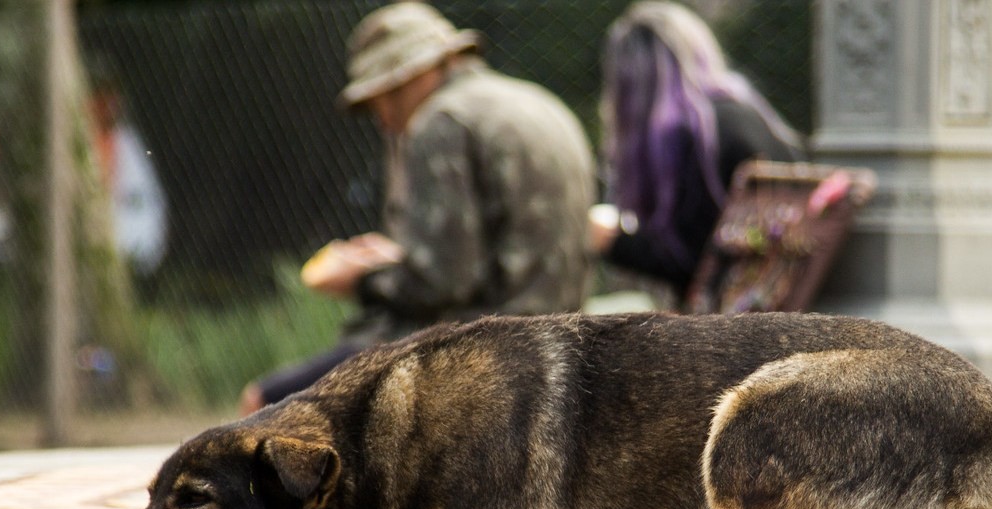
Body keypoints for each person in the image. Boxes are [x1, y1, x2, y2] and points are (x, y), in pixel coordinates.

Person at [240, 2, 597, 415]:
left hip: (485, 352)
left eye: (382, 98)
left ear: (414, 74)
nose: (384, 119)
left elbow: (444, 283)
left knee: (264, 402)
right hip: (560, 346)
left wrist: (361, 278)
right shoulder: (537, 101)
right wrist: (399, 259)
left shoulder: (442, 120)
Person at [588, 1, 803, 304]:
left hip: (736, 321)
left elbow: (692, 263)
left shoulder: (695, 136)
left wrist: (610, 240)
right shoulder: (748, 113)